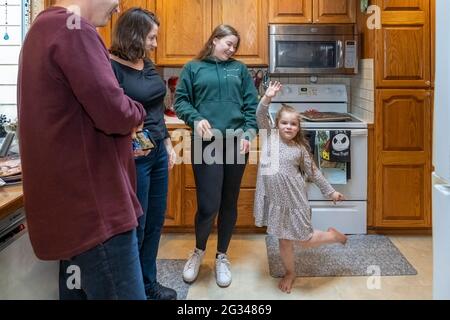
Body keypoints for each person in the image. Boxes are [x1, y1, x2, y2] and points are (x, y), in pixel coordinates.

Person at [17, 0, 148, 300]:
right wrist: (138, 113)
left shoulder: (42, 28)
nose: (117, 8)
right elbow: (114, 110)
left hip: (71, 214)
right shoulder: (74, 30)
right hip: (96, 213)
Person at [174, 24, 259, 288]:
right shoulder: (193, 68)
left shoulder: (240, 70)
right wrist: (195, 118)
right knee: (209, 204)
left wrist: (248, 134)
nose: (232, 49)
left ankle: (222, 255)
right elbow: (180, 101)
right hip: (207, 144)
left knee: (229, 202)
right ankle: (198, 251)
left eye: (235, 46)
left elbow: (251, 107)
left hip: (236, 144)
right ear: (214, 40)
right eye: (228, 43)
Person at [254, 81, 347, 294]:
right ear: (277, 124)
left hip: (295, 202)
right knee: (284, 241)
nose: (288, 127)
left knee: (304, 241)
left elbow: (314, 173)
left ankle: (333, 236)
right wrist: (268, 97)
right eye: (284, 123)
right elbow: (260, 113)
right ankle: (290, 272)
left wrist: (330, 191)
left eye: (293, 124)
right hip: (277, 203)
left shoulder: (300, 150)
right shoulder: (269, 137)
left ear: (298, 128)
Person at [109, 8, 177, 300]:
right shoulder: (109, 66)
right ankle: (131, 289)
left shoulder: (146, 63)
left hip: (157, 152)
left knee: (154, 222)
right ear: (134, 35)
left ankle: (148, 283)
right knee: (134, 225)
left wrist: (168, 142)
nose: (155, 44)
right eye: (151, 37)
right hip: (132, 158)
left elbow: (155, 109)